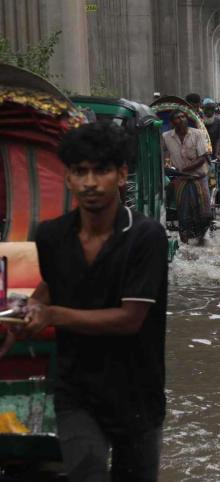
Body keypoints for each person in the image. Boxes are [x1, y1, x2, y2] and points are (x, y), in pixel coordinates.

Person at [12, 121, 168, 481]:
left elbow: (129, 319)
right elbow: (52, 284)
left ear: (122, 175)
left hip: (137, 392)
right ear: (68, 178)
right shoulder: (51, 236)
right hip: (76, 390)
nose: (90, 182)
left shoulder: (146, 237)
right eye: (80, 172)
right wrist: (21, 317)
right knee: (86, 472)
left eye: (101, 171)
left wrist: (51, 314)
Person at [163, 110, 212, 243]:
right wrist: (166, 163)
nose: (182, 119)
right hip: (182, 179)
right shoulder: (166, 137)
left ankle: (202, 238)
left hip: (199, 178)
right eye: (178, 117)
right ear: (172, 122)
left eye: (183, 116)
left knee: (205, 213)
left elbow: (202, 158)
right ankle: (185, 242)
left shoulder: (197, 134)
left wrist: (184, 169)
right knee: (183, 215)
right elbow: (162, 152)